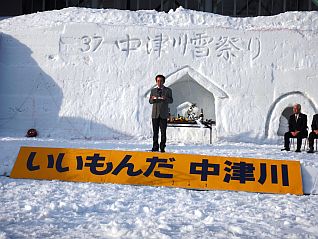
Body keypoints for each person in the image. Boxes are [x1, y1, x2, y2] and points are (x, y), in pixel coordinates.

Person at [149, 74, 173, 152]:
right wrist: (152, 99)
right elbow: (150, 101)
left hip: (163, 114)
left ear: (163, 82)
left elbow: (171, 100)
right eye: (158, 81)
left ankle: (162, 147)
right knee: (155, 132)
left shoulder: (168, 90)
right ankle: (155, 147)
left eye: (161, 81)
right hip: (155, 114)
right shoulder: (153, 91)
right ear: (156, 82)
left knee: (163, 132)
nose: (159, 82)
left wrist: (165, 98)